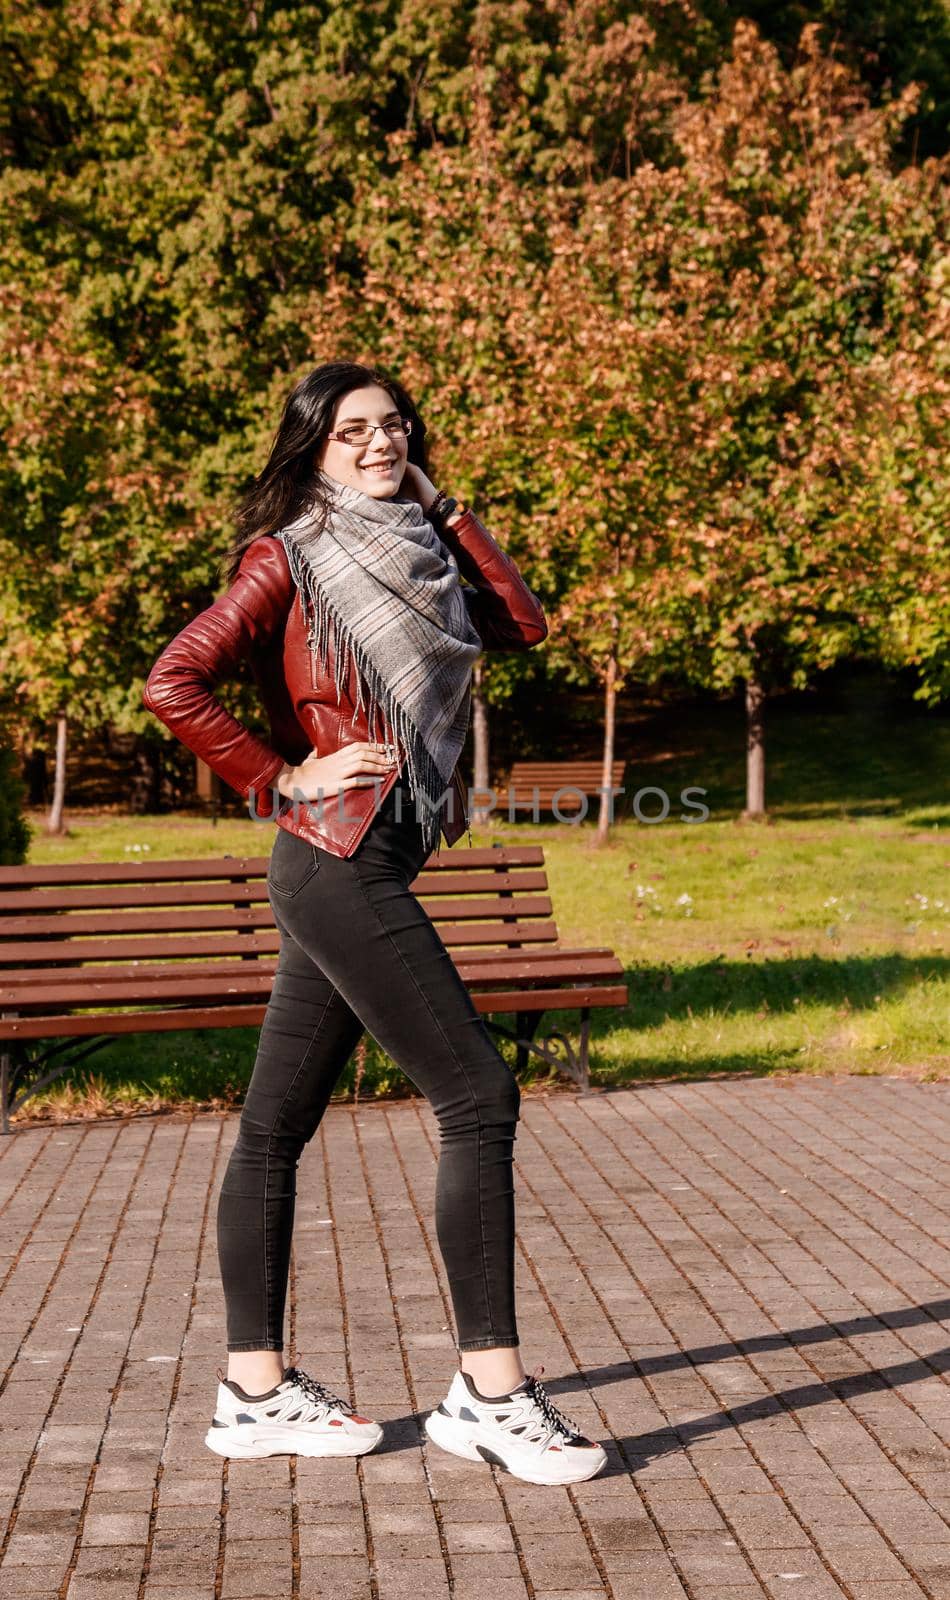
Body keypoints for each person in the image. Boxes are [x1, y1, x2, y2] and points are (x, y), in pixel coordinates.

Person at [143, 360, 607, 1486]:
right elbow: (175, 679)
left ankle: (252, 1393)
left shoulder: (425, 545)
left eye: (392, 425)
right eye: (351, 431)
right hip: (336, 856)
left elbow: (521, 623)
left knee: (271, 1129)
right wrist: (282, 775)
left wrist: (447, 507)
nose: (377, 443)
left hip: (361, 858)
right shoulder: (289, 554)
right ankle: (488, 1394)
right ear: (312, 449)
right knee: (478, 1094)